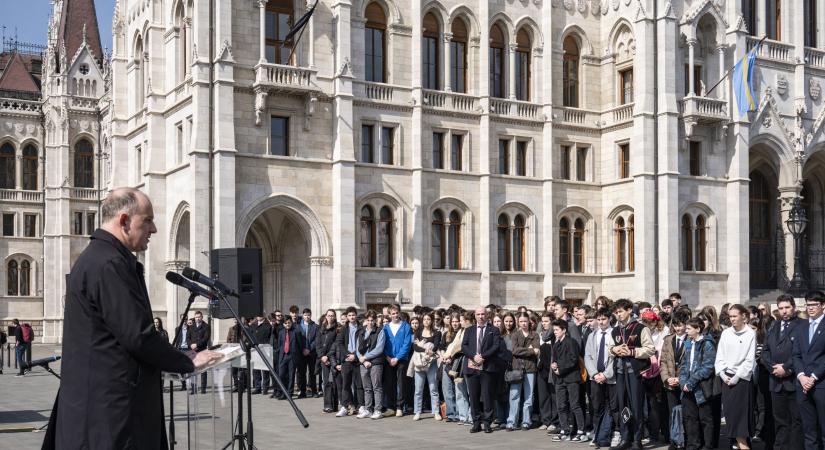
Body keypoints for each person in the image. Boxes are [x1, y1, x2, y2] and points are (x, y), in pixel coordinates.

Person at [44, 187, 220, 449]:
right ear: (124, 221)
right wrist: (185, 361)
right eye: (147, 220)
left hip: (102, 408)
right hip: (110, 414)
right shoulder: (108, 264)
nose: (154, 229)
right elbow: (137, 335)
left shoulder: (102, 259)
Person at [610, 298, 655, 450]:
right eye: (616, 313)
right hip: (620, 371)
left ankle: (637, 439)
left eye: (621, 311)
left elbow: (650, 349)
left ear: (629, 310)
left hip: (635, 373)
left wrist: (632, 351)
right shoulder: (616, 330)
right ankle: (625, 438)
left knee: (636, 406)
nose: (618, 315)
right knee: (623, 405)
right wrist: (614, 350)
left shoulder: (641, 328)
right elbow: (610, 347)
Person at [761, 294, 803, 450]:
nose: (784, 311)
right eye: (781, 308)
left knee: (796, 421)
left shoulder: (802, 325)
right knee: (779, 421)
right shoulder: (774, 326)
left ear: (794, 307)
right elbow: (765, 351)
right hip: (776, 382)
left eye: (787, 307)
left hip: (794, 381)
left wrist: (786, 368)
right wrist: (774, 368)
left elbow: (802, 352)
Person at [715, 304, 756, 450]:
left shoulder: (750, 333)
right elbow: (719, 355)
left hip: (742, 381)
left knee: (741, 421)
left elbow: (749, 360)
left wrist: (737, 377)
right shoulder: (726, 333)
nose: (732, 319)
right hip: (726, 379)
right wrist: (723, 374)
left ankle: (743, 446)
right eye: (730, 316)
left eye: (735, 316)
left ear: (743, 316)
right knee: (731, 419)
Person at [792, 291, 825, 450]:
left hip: (821, 384)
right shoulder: (801, 326)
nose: (810, 308)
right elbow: (796, 354)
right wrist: (801, 376)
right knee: (809, 430)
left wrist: (813, 376)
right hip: (803, 385)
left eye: (814, 305)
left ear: (823, 305)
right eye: (808, 305)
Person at [461, 306, 502, 433]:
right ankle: (476, 422)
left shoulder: (493, 330)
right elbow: (464, 346)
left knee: (487, 396)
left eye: (483, 314)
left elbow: (496, 346)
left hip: (487, 367)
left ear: (487, 315)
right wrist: (473, 356)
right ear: (475, 315)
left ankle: (487, 423)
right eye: (478, 314)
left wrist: (483, 357)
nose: (481, 316)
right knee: (473, 396)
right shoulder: (469, 330)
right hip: (472, 367)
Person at [679, 317, 717, 450]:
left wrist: (691, 381)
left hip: (701, 387)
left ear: (698, 329)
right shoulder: (688, 342)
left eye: (689, 328)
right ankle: (692, 444)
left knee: (705, 418)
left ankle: (708, 445)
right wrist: (683, 382)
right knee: (690, 418)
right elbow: (684, 364)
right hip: (687, 387)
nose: (686, 330)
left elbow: (708, 366)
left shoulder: (707, 343)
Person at [585, 307, 617, 448]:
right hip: (595, 377)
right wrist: (594, 374)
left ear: (609, 319)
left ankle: (611, 434)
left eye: (603, 319)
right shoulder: (593, 335)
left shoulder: (615, 334)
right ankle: (598, 435)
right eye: (599, 319)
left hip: (610, 377)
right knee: (597, 407)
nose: (601, 322)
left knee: (612, 407)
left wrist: (606, 374)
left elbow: (615, 358)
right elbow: (588, 356)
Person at [551, 319, 586, 442]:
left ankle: (581, 431)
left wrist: (560, 368)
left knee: (575, 405)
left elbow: (573, 360)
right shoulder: (556, 344)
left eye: (556, 330)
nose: (554, 332)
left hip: (572, 378)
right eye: (554, 330)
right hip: (560, 379)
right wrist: (554, 365)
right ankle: (564, 430)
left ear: (564, 330)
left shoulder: (571, 342)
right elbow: (554, 359)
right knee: (561, 406)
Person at [659, 309, 689, 450]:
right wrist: (667, 378)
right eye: (675, 325)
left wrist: (680, 379)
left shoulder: (690, 339)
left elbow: (690, 363)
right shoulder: (668, 339)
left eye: (681, 325)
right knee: (672, 412)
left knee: (685, 412)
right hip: (670, 383)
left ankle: (685, 439)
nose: (678, 328)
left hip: (684, 383)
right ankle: (673, 439)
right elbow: (663, 361)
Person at [507, 312, 539, 431]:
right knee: (514, 395)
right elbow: (515, 351)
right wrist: (530, 351)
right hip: (517, 369)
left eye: (525, 321)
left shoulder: (534, 335)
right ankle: (511, 422)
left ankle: (526, 421)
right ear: (518, 322)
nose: (523, 323)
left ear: (529, 322)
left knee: (529, 396)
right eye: (521, 321)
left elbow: (537, 350)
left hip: (530, 368)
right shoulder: (515, 335)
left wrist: (528, 351)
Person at [383, 304, 413, 417]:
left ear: (399, 313)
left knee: (401, 383)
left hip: (401, 359)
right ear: (390, 315)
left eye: (397, 313)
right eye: (393, 313)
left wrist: (397, 357)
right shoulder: (385, 328)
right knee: (390, 383)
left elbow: (407, 344)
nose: (395, 315)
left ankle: (400, 406)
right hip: (389, 359)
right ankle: (391, 407)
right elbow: (383, 344)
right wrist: (387, 357)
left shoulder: (406, 326)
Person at [411, 312, 442, 421]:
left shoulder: (437, 333)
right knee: (418, 389)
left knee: (433, 388)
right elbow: (415, 347)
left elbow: (436, 345)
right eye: (424, 319)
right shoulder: (418, 332)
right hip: (419, 363)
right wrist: (426, 349)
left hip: (431, 363)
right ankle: (417, 411)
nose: (426, 321)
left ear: (432, 320)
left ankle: (436, 411)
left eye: (428, 319)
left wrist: (425, 347)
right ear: (422, 321)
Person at [356, 310, 385, 419]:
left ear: (375, 320)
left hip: (376, 363)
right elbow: (357, 348)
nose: (370, 322)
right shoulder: (361, 331)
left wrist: (366, 357)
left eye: (372, 320)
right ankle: (368, 409)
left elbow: (379, 348)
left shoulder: (380, 331)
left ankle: (378, 410)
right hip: (363, 363)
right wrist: (363, 360)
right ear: (365, 320)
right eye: (368, 320)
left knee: (376, 387)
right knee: (367, 387)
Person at [336, 307, 364, 417]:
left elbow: (363, 344)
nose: (352, 317)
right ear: (347, 317)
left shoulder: (361, 328)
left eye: (353, 315)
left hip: (357, 360)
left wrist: (355, 356)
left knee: (359, 385)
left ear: (356, 315)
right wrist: (348, 354)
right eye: (349, 315)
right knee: (346, 385)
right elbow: (340, 343)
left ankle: (361, 406)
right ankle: (344, 406)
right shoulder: (344, 329)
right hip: (347, 360)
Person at [537, 312, 560, 433]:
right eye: (543, 321)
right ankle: (545, 420)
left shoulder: (554, 335)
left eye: (546, 321)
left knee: (554, 395)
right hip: (541, 369)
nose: (544, 323)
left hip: (552, 369)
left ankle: (555, 421)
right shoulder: (540, 334)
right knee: (543, 396)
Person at [439, 311, 463, 422]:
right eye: (453, 321)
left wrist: (450, 357)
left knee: (458, 390)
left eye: (457, 321)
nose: (454, 323)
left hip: (457, 364)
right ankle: (450, 413)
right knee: (447, 389)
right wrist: (443, 356)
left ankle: (458, 413)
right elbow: (442, 347)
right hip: (446, 364)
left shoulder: (463, 333)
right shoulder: (446, 334)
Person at [317, 309, 340, 413]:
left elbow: (335, 344)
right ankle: (327, 405)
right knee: (326, 382)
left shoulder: (337, 328)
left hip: (333, 358)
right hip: (324, 359)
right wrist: (322, 356)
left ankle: (335, 405)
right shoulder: (321, 328)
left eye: (332, 315)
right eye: (329, 315)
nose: (330, 317)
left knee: (334, 382)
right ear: (326, 316)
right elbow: (318, 344)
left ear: (335, 317)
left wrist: (328, 356)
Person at [274, 315, 298, 400]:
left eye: (289, 323)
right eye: (285, 323)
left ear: (291, 323)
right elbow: (280, 344)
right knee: (281, 375)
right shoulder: (281, 332)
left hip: (292, 356)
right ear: (283, 324)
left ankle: (289, 393)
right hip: (283, 356)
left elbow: (299, 344)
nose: (287, 324)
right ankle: (283, 393)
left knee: (291, 376)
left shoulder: (295, 332)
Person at [297, 308, 319, 398]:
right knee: (302, 373)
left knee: (312, 373)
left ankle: (314, 391)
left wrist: (309, 349)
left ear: (311, 315)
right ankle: (302, 391)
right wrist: (303, 349)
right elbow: (298, 339)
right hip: (301, 353)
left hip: (311, 353)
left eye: (308, 315)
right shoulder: (298, 326)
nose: (307, 317)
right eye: (305, 315)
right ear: (302, 315)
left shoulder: (315, 326)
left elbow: (316, 340)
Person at [188, 310, 211, 394]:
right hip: (193, 351)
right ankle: (193, 388)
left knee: (203, 370)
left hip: (202, 350)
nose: (197, 319)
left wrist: (197, 344)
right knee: (193, 370)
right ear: (194, 317)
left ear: (202, 317)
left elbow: (206, 338)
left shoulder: (206, 326)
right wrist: (190, 345)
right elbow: (188, 337)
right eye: (196, 317)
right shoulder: (191, 327)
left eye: (199, 317)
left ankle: (203, 388)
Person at [251, 314, 273, 395]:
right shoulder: (253, 325)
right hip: (254, 350)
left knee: (265, 370)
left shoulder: (268, 326)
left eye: (261, 315)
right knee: (256, 370)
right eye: (258, 315)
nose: (259, 316)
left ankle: (265, 388)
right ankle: (257, 387)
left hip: (265, 350)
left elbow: (270, 337)